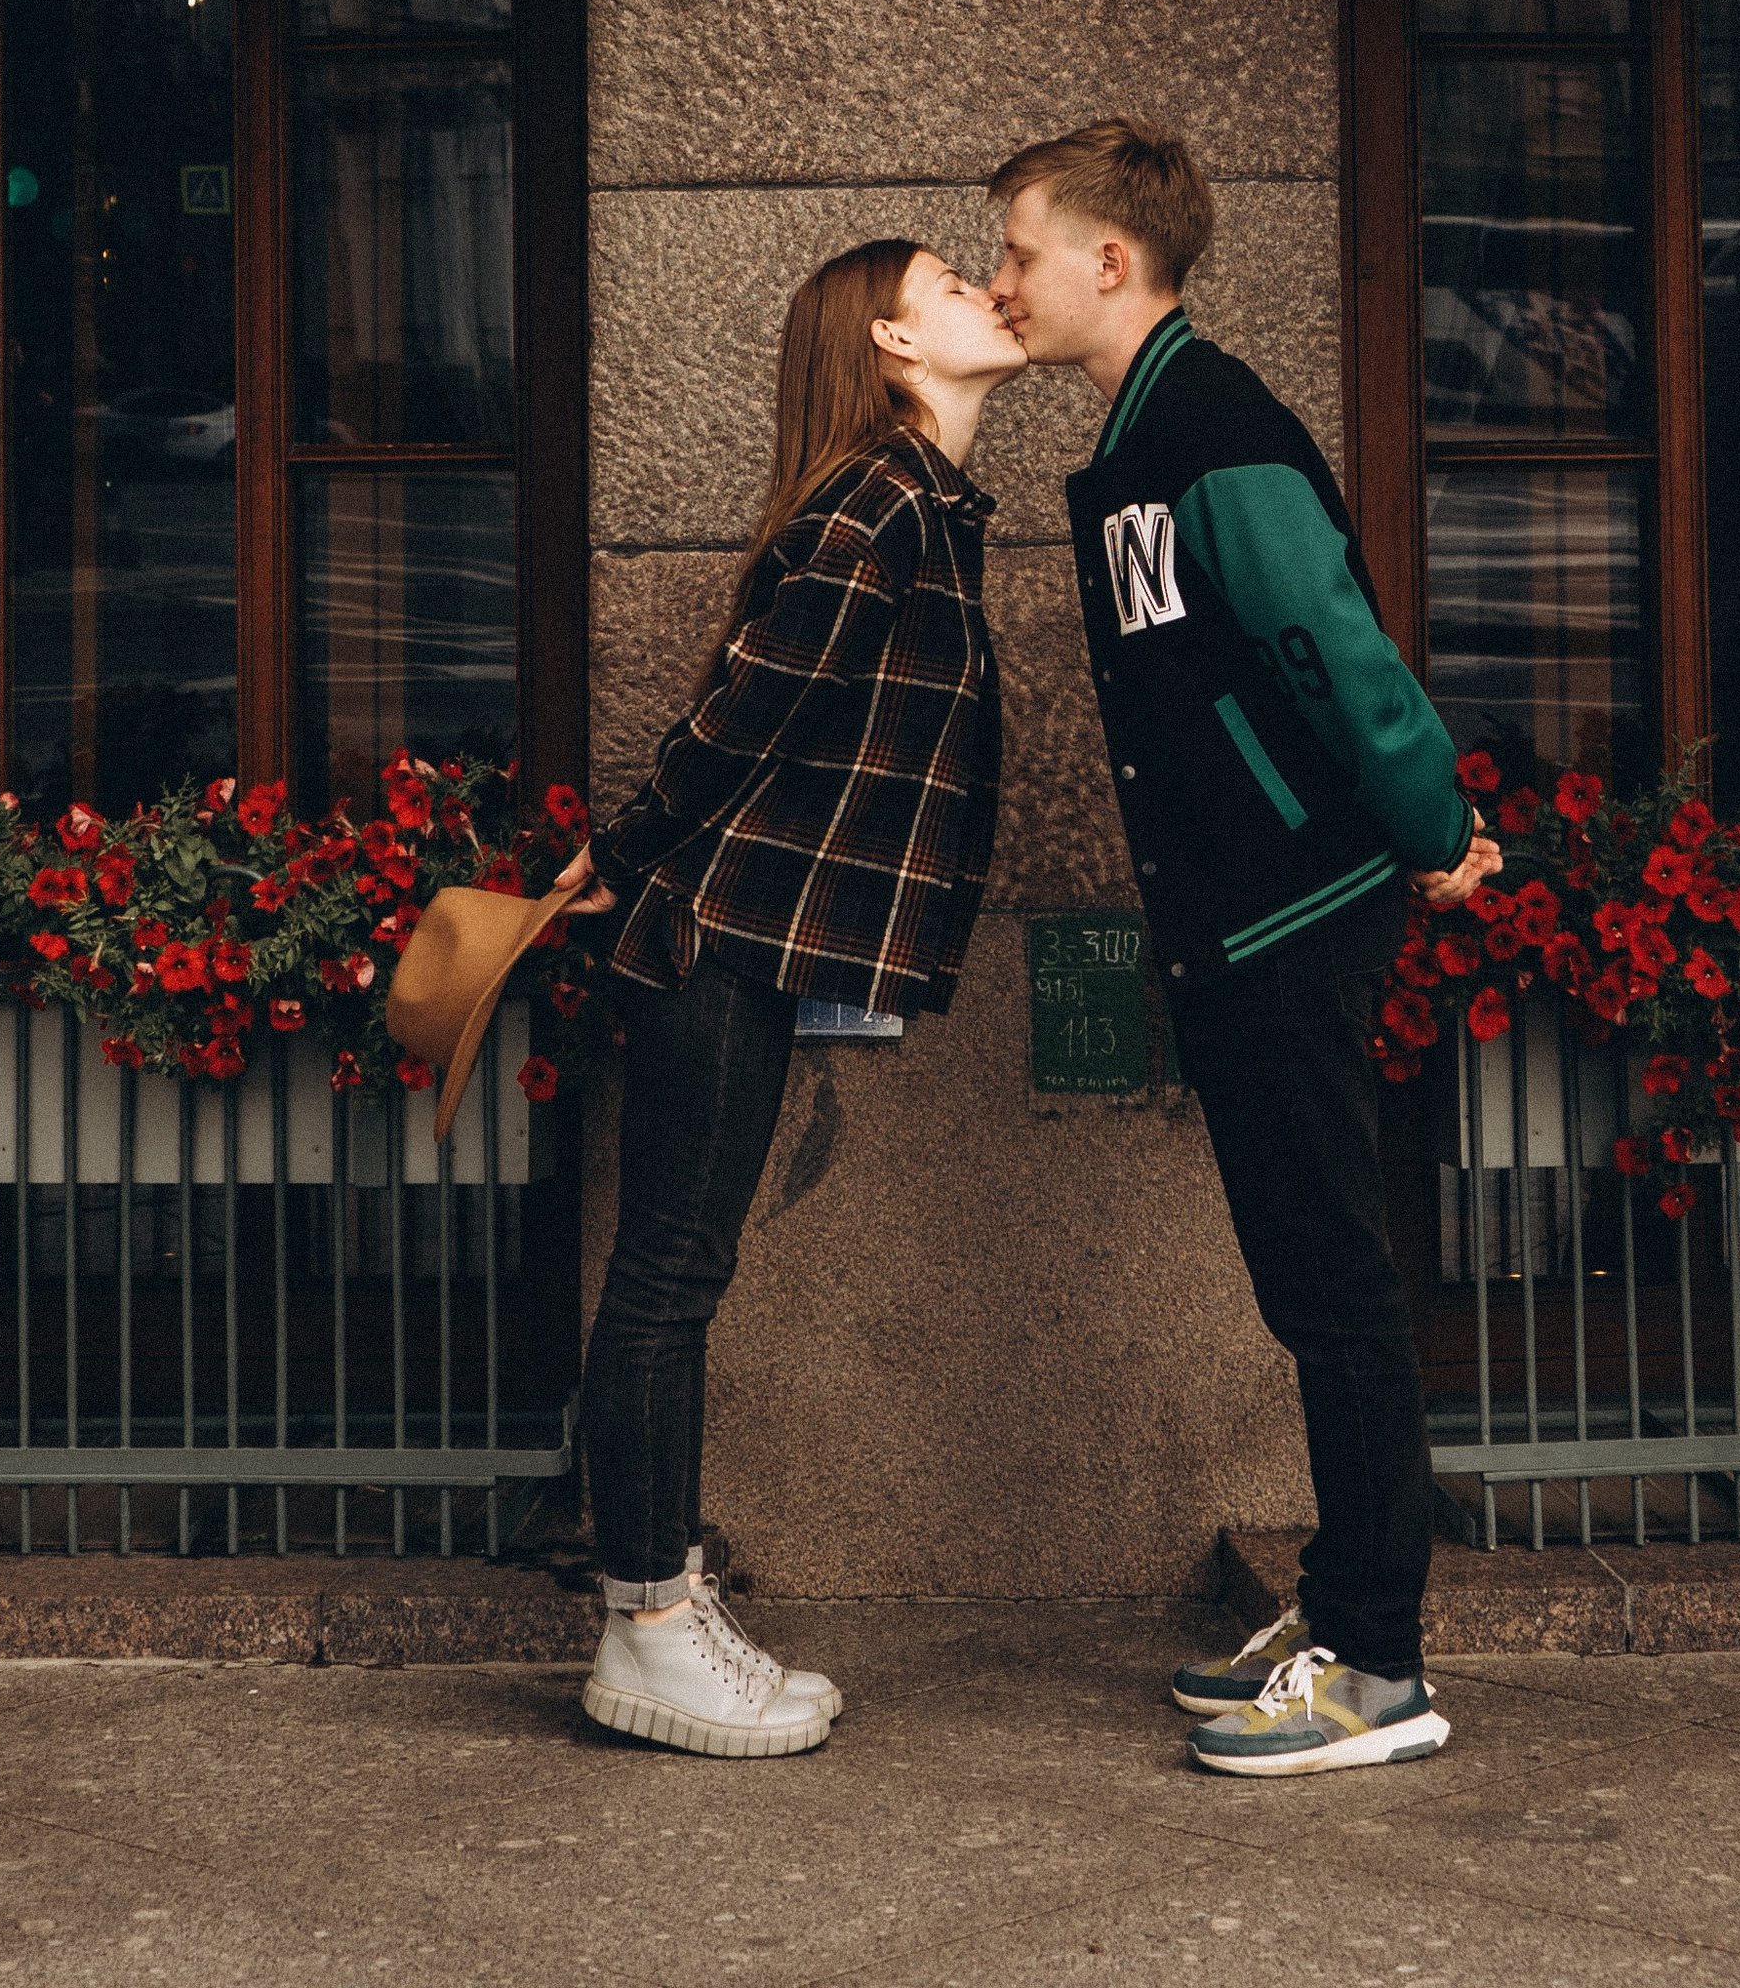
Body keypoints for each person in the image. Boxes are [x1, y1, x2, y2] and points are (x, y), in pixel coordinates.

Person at [989, 120, 1498, 1779]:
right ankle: (1344, 1610)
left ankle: (1379, 1669)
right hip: (1238, 924)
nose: (1004, 278)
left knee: (1338, 1290)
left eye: (1019, 250)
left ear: (1110, 263)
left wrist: (1430, 833)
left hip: (1291, 917)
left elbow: (1337, 656)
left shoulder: (1214, 430)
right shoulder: (1147, 436)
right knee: (1304, 1287)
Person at [565, 240, 1024, 1758]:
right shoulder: (882, 500)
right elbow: (747, 711)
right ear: (891, 336)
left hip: (754, 939)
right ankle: (645, 1625)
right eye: (955, 279)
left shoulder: (923, 507)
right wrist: (617, 855)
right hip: (717, 932)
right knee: (668, 1278)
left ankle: (663, 1613)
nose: (984, 294)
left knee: (676, 1275)